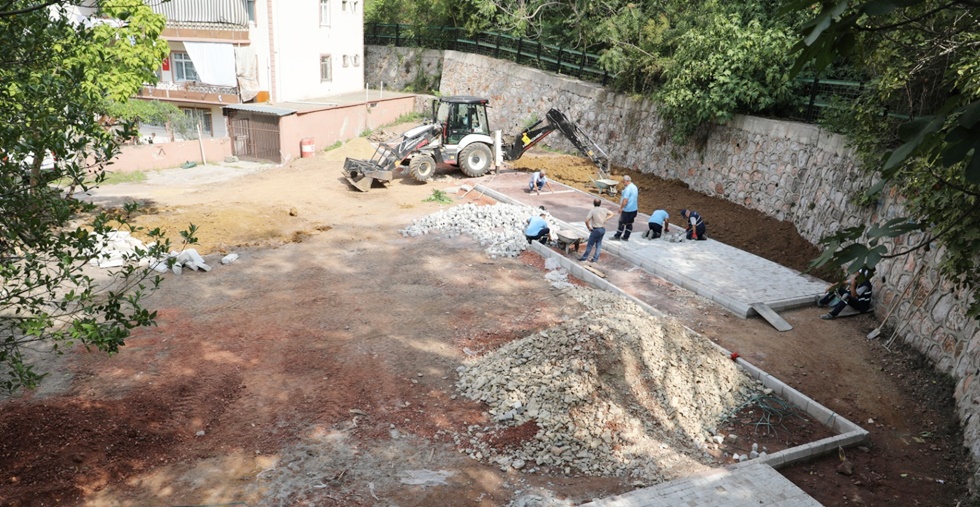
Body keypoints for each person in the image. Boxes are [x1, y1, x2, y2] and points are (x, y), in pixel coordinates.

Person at [579, 198, 614, 262]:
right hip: (602, 229)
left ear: (593, 204)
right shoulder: (604, 209)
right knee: (598, 244)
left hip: (596, 230)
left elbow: (586, 220)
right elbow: (612, 213)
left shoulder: (593, 210)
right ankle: (595, 259)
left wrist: (589, 227)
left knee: (590, 244)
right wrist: (606, 219)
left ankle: (584, 258)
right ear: (600, 204)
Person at [611, 175, 638, 241]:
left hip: (627, 210)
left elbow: (625, 200)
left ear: (627, 181)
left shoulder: (628, 189)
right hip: (634, 209)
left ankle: (617, 236)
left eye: (623, 182)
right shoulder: (634, 187)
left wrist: (621, 208)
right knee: (629, 223)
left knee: (621, 222)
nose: (623, 183)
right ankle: (626, 237)